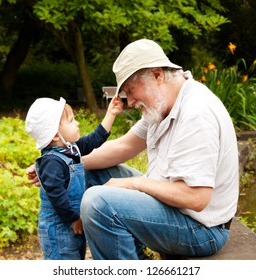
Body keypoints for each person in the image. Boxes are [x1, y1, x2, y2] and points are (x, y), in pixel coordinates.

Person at [27, 38, 239, 260]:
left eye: (130, 89)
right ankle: (70, 258)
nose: (129, 102)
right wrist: (59, 161)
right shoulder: (163, 103)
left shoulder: (196, 113)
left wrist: (133, 183)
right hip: (172, 207)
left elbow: (196, 198)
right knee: (87, 173)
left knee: (98, 204)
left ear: (157, 75)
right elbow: (124, 145)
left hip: (201, 229)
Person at [25, 95, 123, 260]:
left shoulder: (70, 150)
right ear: (56, 135)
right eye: (71, 121)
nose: (77, 123)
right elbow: (56, 196)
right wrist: (73, 218)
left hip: (71, 223)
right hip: (59, 228)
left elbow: (94, 140)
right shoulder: (52, 162)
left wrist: (111, 114)